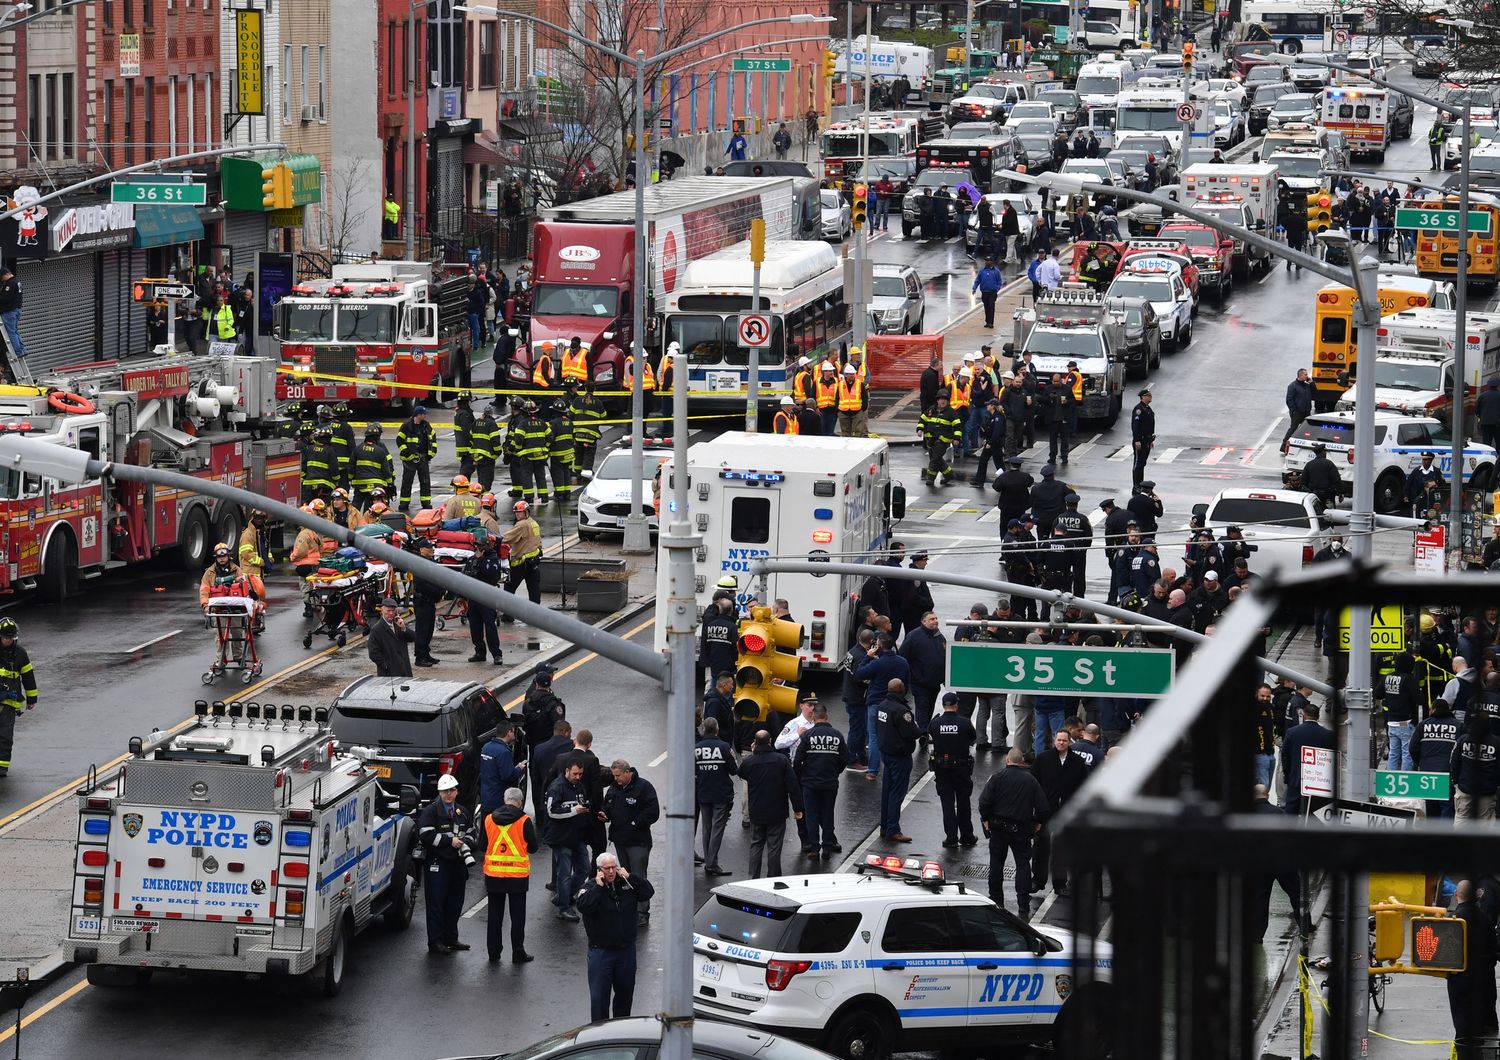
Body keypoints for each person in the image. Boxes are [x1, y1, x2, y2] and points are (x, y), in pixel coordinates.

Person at [576, 852, 654, 1023]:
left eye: (613, 867)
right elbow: (584, 906)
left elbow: (648, 892)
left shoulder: (626, 883)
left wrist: (631, 877)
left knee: (625, 997)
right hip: (601, 953)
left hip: (626, 952)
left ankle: (621, 1032)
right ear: (599, 871)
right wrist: (598, 887)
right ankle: (598, 1037)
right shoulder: (590, 887)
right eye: (607, 868)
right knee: (599, 1000)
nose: (611, 871)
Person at [978, 749, 1048, 918]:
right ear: (1022, 761)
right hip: (1022, 829)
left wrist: (986, 818)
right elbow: (1043, 807)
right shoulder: (1030, 781)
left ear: (1007, 760)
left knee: (996, 864)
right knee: (1023, 865)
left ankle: (996, 901)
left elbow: (984, 801)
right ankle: (1023, 904)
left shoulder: (997, 777)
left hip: (998, 828)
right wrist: (1038, 821)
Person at [479, 786, 537, 963]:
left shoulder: (489, 819)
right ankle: (518, 952)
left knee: (495, 916)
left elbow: (482, 846)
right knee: (517, 917)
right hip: (517, 877)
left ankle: (493, 953)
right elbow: (533, 848)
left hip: (494, 874)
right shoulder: (524, 820)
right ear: (519, 802)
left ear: (505, 800)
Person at [418, 773, 474, 954]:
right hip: (438, 863)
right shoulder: (431, 812)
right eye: (445, 791)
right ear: (439, 792)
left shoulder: (463, 812)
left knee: (455, 903)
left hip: (458, 864)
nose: (449, 794)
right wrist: (448, 842)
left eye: (451, 790)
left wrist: (467, 843)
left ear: (457, 791)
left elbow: (473, 834)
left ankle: (451, 938)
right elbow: (425, 835)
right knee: (436, 903)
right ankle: (435, 942)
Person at [1031, 729, 1088, 897]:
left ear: (1069, 742)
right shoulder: (1043, 759)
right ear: (1054, 741)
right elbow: (1034, 782)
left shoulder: (1077, 762)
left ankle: (1060, 883)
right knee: (1041, 847)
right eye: (1059, 740)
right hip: (1045, 810)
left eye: (1064, 740)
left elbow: (1082, 787)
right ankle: (1038, 880)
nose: (1061, 743)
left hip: (1065, 811)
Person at [601, 760, 659, 925]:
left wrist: (636, 822)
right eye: (614, 776)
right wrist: (605, 814)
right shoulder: (614, 788)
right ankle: (630, 909)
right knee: (625, 877)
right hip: (620, 840)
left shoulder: (643, 787)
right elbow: (608, 806)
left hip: (638, 842)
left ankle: (642, 912)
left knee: (638, 876)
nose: (616, 779)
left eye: (618, 775)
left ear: (628, 772)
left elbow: (653, 811)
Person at [739, 729, 804, 877]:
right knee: (774, 847)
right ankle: (773, 877)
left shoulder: (750, 761)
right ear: (770, 741)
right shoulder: (781, 760)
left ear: (755, 743)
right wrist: (797, 808)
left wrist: (754, 753)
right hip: (777, 810)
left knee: (756, 844)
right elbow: (792, 785)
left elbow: (741, 773)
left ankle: (753, 877)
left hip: (757, 810)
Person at [1448, 880, 1499, 1059]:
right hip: (1483, 977)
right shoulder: (1484, 919)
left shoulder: (1453, 920)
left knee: (1462, 1021)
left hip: (1459, 978)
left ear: (1456, 895)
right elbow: (1495, 951)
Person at [792, 702, 847, 860]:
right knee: (827, 814)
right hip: (830, 782)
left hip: (810, 783)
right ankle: (827, 848)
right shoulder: (837, 735)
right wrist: (835, 771)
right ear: (827, 716)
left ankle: (814, 849)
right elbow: (844, 758)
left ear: (814, 717)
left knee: (812, 815)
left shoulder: (807, 736)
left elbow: (797, 760)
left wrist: (802, 776)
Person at [929, 692, 978, 848]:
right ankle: (966, 836)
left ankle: (951, 837)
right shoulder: (964, 723)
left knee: (947, 802)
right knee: (963, 801)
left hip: (942, 767)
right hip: (961, 767)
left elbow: (932, 737)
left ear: (944, 705)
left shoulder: (935, 723)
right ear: (956, 705)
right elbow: (972, 739)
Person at [547, 759, 593, 922]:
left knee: (584, 869)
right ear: (567, 771)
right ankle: (563, 908)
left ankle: (563, 896)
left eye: (580, 774)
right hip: (562, 838)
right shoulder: (557, 787)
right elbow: (552, 812)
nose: (578, 777)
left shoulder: (579, 786)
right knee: (564, 874)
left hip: (577, 836)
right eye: (575, 774)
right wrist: (574, 810)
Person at [875, 678, 921, 842]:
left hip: (886, 754)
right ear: (902, 691)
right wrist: (922, 729)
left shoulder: (882, 706)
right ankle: (893, 829)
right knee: (897, 793)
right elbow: (910, 733)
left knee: (887, 792)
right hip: (900, 756)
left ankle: (885, 826)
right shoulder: (902, 711)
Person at [695, 716, 738, 876]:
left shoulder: (697, 748)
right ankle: (712, 864)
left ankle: (709, 860)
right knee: (717, 829)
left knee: (707, 829)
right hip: (721, 794)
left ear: (704, 729)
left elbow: (693, 771)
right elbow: (734, 770)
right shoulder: (724, 747)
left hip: (703, 793)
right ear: (717, 729)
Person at [1281, 699, 1334, 813]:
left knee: (1291, 810)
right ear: (1318, 716)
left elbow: (1285, 756)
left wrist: (1287, 774)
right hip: (1318, 781)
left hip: (1296, 777)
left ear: (1304, 715)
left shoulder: (1292, 732)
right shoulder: (1328, 735)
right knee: (1314, 811)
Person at [900, 611, 947, 730]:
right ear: (923, 621)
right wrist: (914, 676)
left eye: (936, 618)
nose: (935, 621)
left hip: (935, 683)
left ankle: (925, 730)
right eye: (932, 619)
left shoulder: (939, 636)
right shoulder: (913, 636)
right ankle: (923, 732)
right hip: (920, 683)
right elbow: (902, 657)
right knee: (922, 709)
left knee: (930, 708)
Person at [1452, 712, 1500, 821]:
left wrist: (1456, 782)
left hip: (1465, 787)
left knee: (1461, 819)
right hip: (1487, 790)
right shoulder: (1496, 743)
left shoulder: (1463, 740)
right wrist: (1496, 784)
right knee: (1484, 823)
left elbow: (1454, 762)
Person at [465, 536, 505, 664]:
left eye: (481, 546)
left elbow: (491, 574)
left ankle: (496, 654)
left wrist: (480, 560)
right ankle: (480, 652)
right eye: (477, 546)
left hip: (487, 596)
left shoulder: (493, 559)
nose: (479, 548)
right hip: (473, 596)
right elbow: (466, 574)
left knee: (490, 627)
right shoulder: (472, 559)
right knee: (475, 627)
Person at [503, 500, 544, 612]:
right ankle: (535, 614)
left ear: (526, 512)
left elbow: (506, 538)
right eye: (516, 512)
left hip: (521, 563)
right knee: (533, 589)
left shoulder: (522, 524)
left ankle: (508, 615)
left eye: (520, 512)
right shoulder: (533, 523)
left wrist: (496, 540)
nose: (517, 514)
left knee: (509, 588)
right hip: (534, 562)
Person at [396, 405, 436, 511]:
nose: (425, 416)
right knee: (407, 481)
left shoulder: (426, 425)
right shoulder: (407, 426)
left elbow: (432, 437)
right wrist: (406, 452)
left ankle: (426, 503)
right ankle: (404, 503)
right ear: (418, 415)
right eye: (424, 414)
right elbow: (399, 440)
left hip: (423, 458)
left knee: (425, 481)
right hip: (410, 460)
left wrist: (432, 452)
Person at [367, 598, 414, 677]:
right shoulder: (376, 629)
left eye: (393, 611)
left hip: (405, 670)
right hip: (389, 674)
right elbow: (373, 653)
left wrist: (403, 628)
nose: (391, 613)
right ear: (382, 611)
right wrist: (385, 665)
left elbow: (413, 638)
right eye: (388, 611)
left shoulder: (398, 624)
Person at [0, 265, 26, 362]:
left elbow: (6, 298)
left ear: (7, 274)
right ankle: (22, 349)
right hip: (16, 310)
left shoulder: (10, 284)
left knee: (11, 332)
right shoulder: (17, 282)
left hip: (9, 311)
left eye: (2, 278)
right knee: (15, 331)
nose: (3, 280)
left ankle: (18, 352)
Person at [1130, 387, 1155, 488]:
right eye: (1148, 396)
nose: (1150, 397)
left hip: (1147, 440)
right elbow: (1135, 426)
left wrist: (1150, 440)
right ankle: (1136, 485)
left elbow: (1149, 425)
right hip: (1140, 440)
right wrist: (1137, 440)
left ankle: (1141, 484)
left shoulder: (1147, 408)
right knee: (1138, 464)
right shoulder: (1139, 409)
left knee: (1142, 463)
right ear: (1142, 397)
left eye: (1150, 396)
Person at [973, 257, 1004, 328]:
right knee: (986, 307)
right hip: (984, 292)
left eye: (988, 261)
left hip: (992, 292)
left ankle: (991, 322)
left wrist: (997, 288)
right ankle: (987, 321)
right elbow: (977, 280)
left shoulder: (996, 271)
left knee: (991, 306)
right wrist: (974, 288)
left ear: (992, 262)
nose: (986, 262)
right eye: (986, 261)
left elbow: (999, 281)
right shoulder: (982, 271)